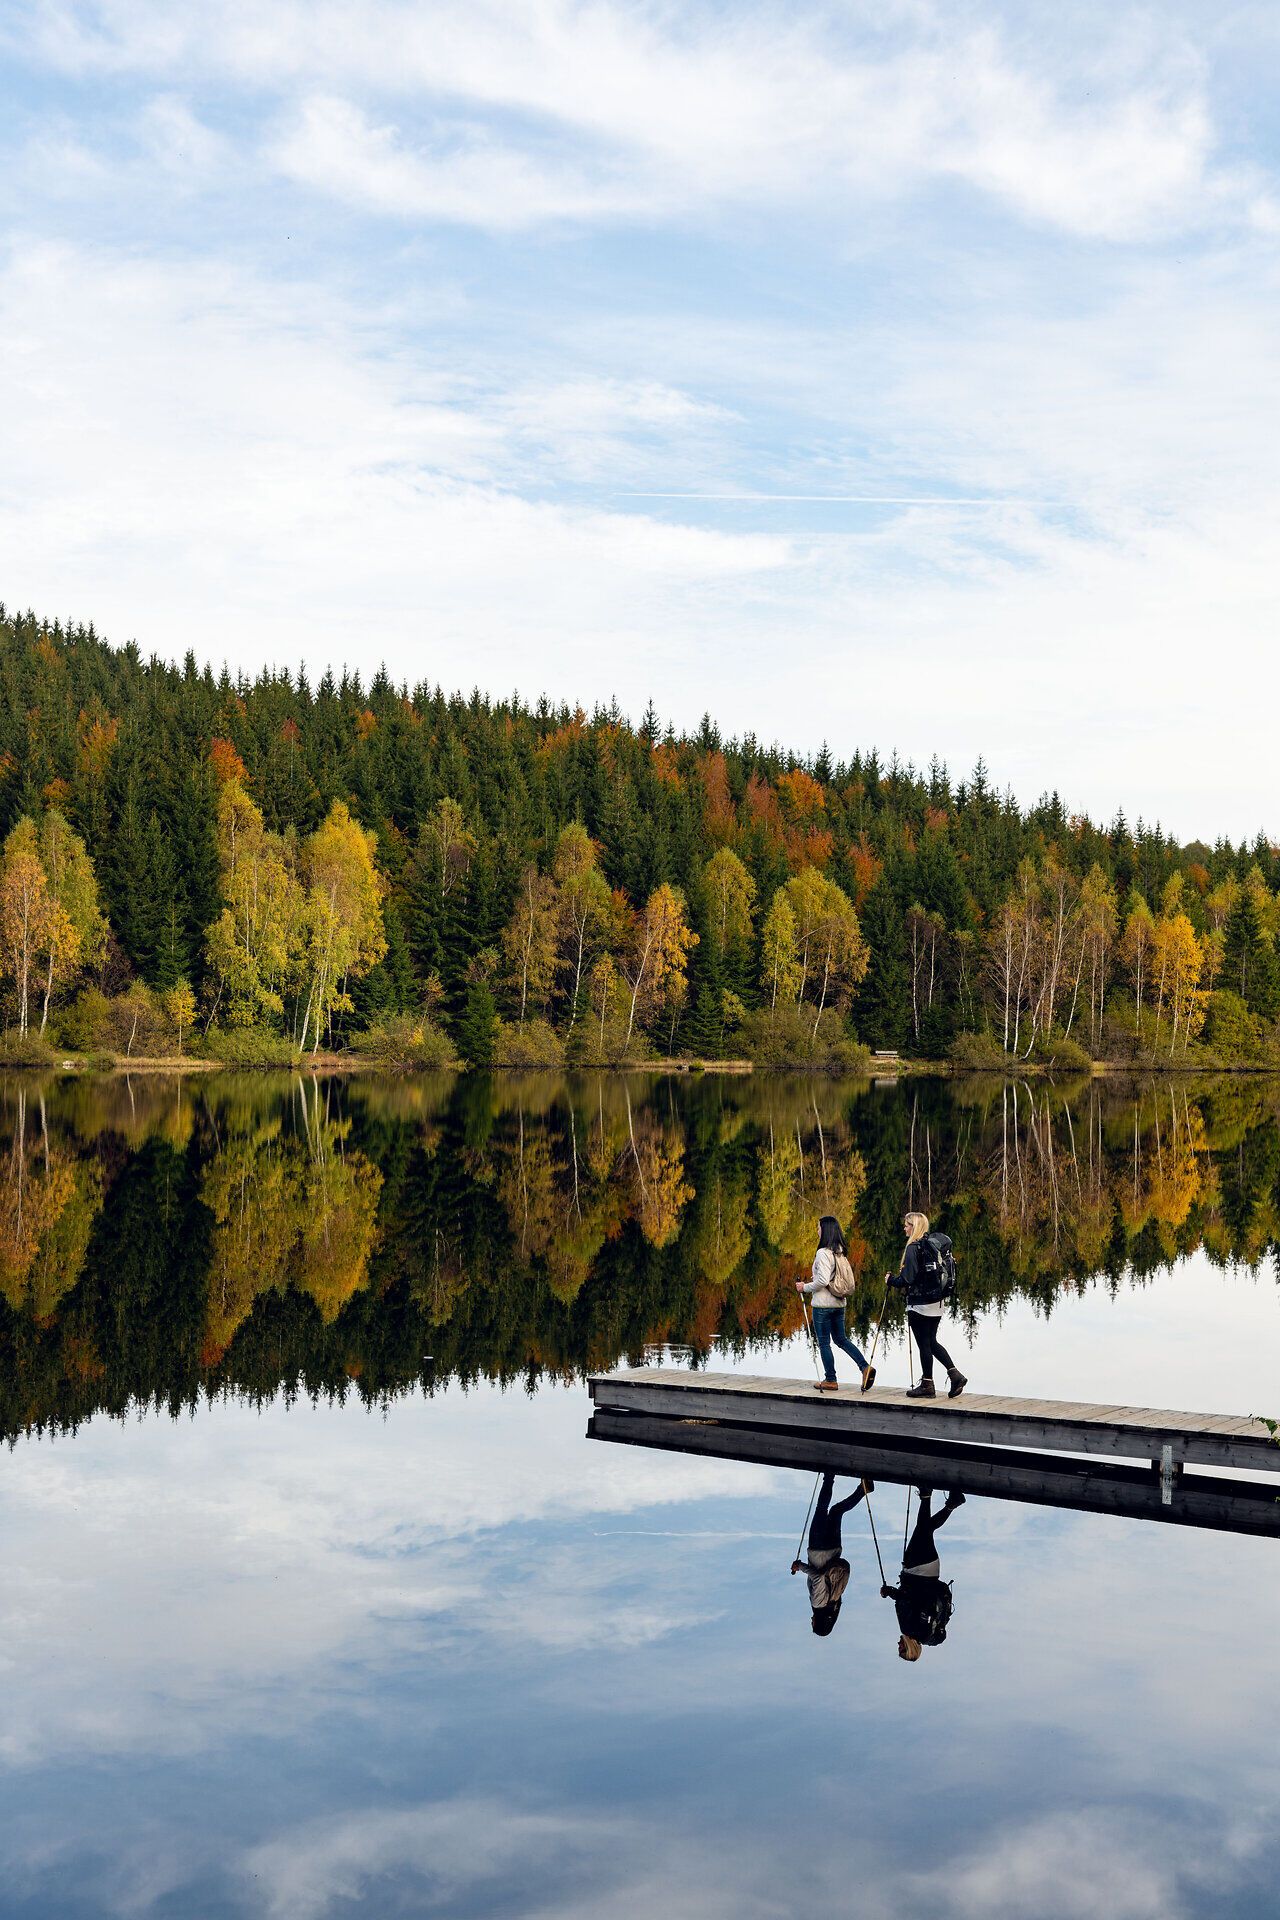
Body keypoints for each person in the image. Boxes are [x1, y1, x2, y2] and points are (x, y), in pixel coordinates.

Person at [889, 1211, 968, 1400]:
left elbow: (907, 1279)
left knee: (924, 1345)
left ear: (914, 1227)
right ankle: (955, 1374)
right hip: (936, 1303)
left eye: (907, 1225)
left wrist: (891, 1280)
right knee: (931, 1342)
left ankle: (927, 1385)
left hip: (919, 1305)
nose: (905, 1228)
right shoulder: (931, 1247)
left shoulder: (913, 1248)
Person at [880, 1484, 964, 1660]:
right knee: (923, 1529)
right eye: (902, 1649)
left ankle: (950, 1502)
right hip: (917, 1573)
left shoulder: (923, 1631)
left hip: (929, 1574)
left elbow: (916, 1603)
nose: (898, 1645)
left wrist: (895, 1594)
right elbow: (912, 1601)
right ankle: (927, 1494)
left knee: (925, 1529)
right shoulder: (909, 1629)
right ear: (911, 1649)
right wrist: (890, 1592)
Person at [796, 1215, 876, 1393]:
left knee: (824, 1343)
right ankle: (864, 1367)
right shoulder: (840, 1251)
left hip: (823, 1305)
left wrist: (804, 1287)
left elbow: (823, 1281)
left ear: (825, 1230)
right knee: (841, 1339)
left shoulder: (823, 1253)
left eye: (818, 1228)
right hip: (839, 1304)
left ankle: (830, 1379)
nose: (817, 1231)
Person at [791, 1471, 873, 1636]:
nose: (811, 1621)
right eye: (813, 1624)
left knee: (836, 1512)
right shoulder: (818, 1603)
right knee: (822, 1509)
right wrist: (799, 1566)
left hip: (835, 1550)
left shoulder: (834, 1602)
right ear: (817, 1622)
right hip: (818, 1549)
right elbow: (818, 1577)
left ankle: (863, 1489)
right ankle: (829, 1475)